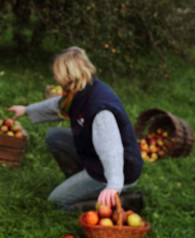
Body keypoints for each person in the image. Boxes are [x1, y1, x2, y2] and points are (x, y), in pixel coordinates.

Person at [9, 47, 143, 210]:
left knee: (57, 200)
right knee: (55, 137)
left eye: (58, 74)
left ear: (68, 75)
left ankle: (122, 201)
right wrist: (27, 110)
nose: (56, 78)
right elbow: (57, 105)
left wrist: (114, 184)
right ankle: (83, 184)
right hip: (96, 157)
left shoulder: (100, 109)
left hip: (119, 170)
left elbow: (111, 150)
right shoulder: (82, 89)